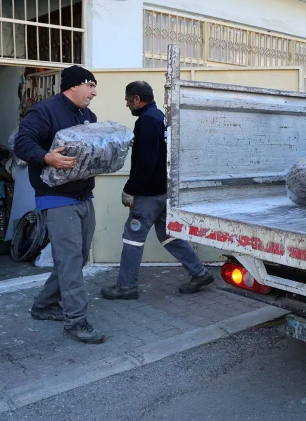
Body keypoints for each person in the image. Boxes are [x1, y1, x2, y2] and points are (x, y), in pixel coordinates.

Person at [14, 65, 105, 344]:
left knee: (77, 256)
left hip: (83, 196)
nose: (94, 92)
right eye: (91, 85)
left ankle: (43, 305)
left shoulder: (88, 116)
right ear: (74, 85)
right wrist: (46, 158)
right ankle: (76, 321)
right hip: (56, 198)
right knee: (69, 260)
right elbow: (22, 143)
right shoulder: (45, 111)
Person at [101, 81, 214, 301]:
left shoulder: (146, 120)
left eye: (127, 100)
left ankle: (126, 287)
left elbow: (146, 162)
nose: (126, 105)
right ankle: (200, 273)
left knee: (133, 237)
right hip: (164, 191)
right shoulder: (159, 116)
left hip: (149, 194)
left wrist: (130, 189)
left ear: (136, 99)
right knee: (168, 235)